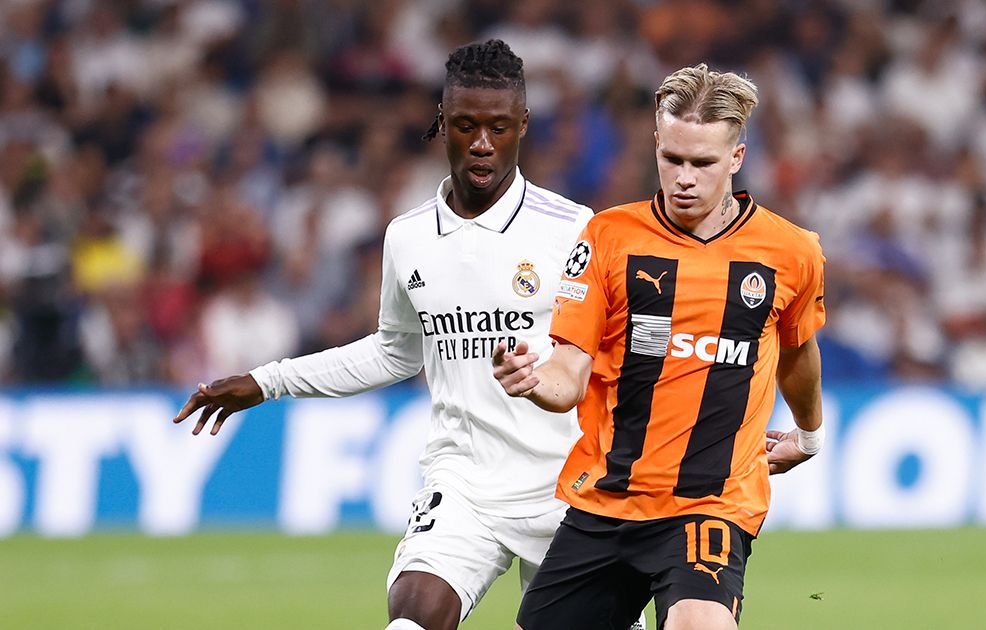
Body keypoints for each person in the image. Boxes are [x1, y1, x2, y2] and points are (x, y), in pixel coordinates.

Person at [172, 40, 641, 630]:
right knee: (412, 619)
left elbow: (614, 350)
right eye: (465, 125)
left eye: (499, 127)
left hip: (572, 488)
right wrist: (268, 382)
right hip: (464, 482)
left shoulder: (574, 229)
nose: (481, 143)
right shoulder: (408, 236)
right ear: (441, 123)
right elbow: (394, 351)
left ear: (523, 125)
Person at [492, 64, 826, 630]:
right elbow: (569, 373)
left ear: (737, 159)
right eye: (673, 160)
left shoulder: (791, 252)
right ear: (655, 147)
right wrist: (533, 380)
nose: (685, 178)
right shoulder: (606, 238)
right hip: (608, 500)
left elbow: (797, 352)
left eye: (703, 163)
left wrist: (810, 435)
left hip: (710, 505)